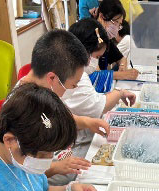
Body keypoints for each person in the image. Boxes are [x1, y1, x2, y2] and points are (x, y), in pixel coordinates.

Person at [49, 18, 137, 186]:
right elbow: (35, 170)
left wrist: (86, 122)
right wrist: (55, 168)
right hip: (54, 157)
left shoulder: (64, 74)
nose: (92, 63)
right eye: (95, 57)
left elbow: (62, 116)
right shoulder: (64, 78)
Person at [19, 28, 110, 180]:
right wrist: (56, 168)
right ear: (52, 78)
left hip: (63, 160)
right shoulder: (23, 109)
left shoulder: (44, 90)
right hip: (47, 179)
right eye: (73, 85)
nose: (73, 89)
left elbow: (56, 117)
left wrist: (86, 122)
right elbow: (23, 174)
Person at [90, 0, 139, 80]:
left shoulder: (105, 38)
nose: (117, 28)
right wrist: (122, 75)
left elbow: (121, 58)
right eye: (116, 22)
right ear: (102, 16)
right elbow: (94, 74)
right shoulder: (90, 36)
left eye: (119, 24)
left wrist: (122, 66)